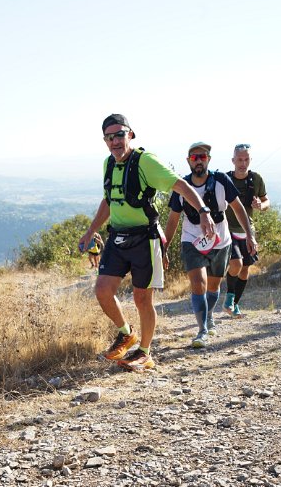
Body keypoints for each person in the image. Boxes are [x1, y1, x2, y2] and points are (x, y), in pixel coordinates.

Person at [78, 114, 216, 370]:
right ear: (105, 141)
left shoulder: (146, 161)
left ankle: (144, 352)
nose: (115, 141)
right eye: (109, 137)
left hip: (145, 239)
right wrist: (90, 231)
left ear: (130, 135)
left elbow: (181, 185)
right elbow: (109, 200)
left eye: (120, 135)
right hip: (117, 237)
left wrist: (204, 211)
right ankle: (126, 333)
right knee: (102, 290)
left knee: (142, 298)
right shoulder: (109, 163)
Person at [164, 142, 257, 348]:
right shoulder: (181, 187)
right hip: (191, 240)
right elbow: (173, 220)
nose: (198, 161)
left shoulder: (221, 180)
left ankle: (209, 316)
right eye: (194, 157)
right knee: (199, 283)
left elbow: (238, 208)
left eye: (203, 157)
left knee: (213, 286)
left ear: (209, 160)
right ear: (188, 161)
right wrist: (165, 248)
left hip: (220, 241)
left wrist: (250, 236)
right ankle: (202, 330)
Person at [223, 143, 269, 317]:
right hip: (228, 229)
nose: (243, 163)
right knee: (237, 263)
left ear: (250, 160)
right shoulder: (225, 179)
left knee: (245, 269)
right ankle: (229, 299)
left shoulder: (256, 179)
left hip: (248, 231)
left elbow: (266, 201)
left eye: (246, 159)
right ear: (233, 160)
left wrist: (261, 205)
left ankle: (234, 304)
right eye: (240, 159)